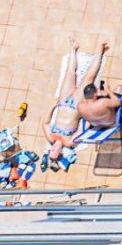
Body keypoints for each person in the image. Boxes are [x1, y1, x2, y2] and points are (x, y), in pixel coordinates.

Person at [43, 37, 107, 165]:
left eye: (51, 150)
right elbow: (82, 131)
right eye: (55, 151)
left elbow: (46, 123)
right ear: (61, 152)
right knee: (89, 78)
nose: (53, 148)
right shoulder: (69, 142)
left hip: (62, 102)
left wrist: (52, 107)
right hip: (76, 106)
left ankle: (73, 48)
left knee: (69, 73)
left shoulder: (50, 137)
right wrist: (88, 118)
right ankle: (100, 51)